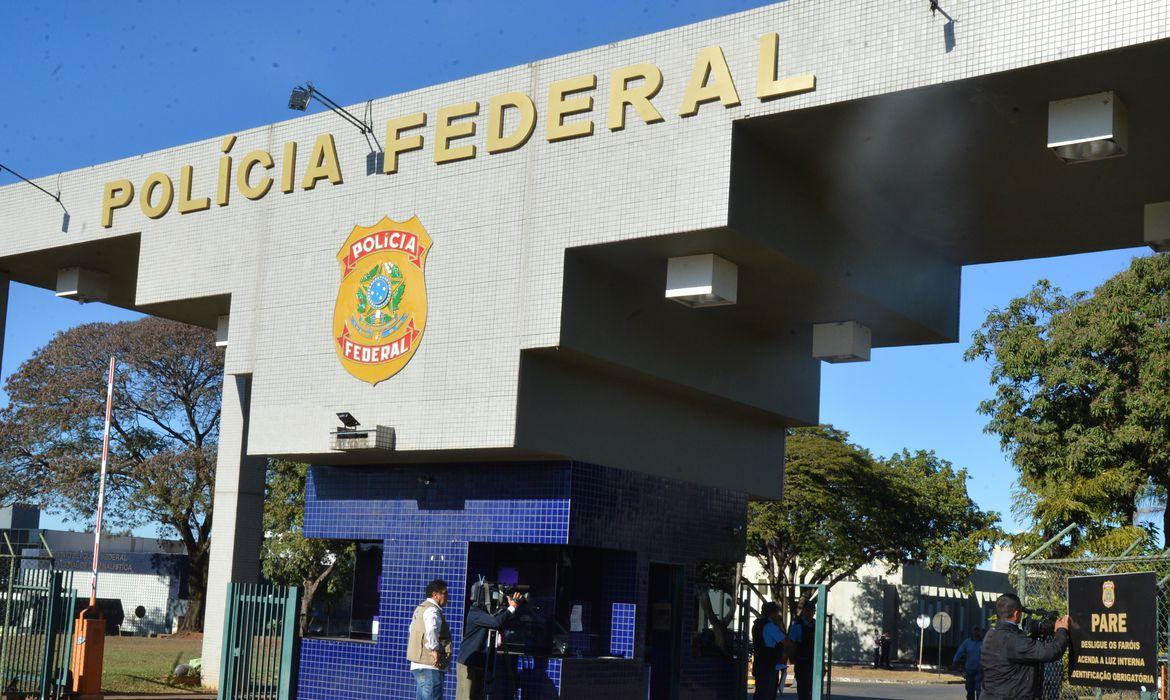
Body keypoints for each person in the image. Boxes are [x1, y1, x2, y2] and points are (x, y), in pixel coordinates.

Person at [980, 594, 1069, 700]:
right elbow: (1052, 652)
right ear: (1017, 614)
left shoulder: (991, 634)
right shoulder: (1013, 640)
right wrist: (1062, 629)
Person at [456, 583, 522, 700]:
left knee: (478, 696)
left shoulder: (487, 614)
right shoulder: (475, 612)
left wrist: (512, 606)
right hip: (468, 662)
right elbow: (496, 622)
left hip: (481, 661)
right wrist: (511, 607)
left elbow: (503, 622)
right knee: (466, 697)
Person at [408, 579, 452, 700]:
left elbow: (412, 629)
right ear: (435, 595)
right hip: (430, 665)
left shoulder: (420, 608)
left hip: (418, 664)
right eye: (445, 593)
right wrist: (434, 650)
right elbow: (431, 629)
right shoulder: (432, 610)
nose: (447, 597)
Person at [785, 602, 817, 700]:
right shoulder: (797, 626)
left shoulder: (816, 624)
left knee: (813, 689)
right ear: (804, 611)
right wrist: (792, 659)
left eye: (813, 611)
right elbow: (792, 644)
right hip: (802, 661)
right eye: (809, 611)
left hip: (814, 662)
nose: (811, 614)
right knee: (803, 690)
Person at [752, 602, 783, 699]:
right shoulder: (771, 626)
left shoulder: (757, 625)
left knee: (760, 693)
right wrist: (779, 625)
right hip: (769, 666)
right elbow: (786, 642)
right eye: (777, 612)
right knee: (768, 694)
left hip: (759, 665)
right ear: (772, 613)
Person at [953, 627, 985, 700]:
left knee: (979, 691)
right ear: (972, 632)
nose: (976, 633)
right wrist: (955, 660)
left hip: (980, 670)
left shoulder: (984, 642)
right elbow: (960, 651)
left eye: (978, 631)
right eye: (975, 631)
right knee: (970, 690)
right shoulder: (967, 642)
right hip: (969, 670)